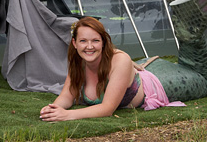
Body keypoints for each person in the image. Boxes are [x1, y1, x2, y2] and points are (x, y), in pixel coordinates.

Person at [40, 17, 186, 122]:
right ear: (75, 43)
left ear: (103, 42)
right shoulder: (78, 61)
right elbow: (67, 95)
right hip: (127, 71)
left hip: (157, 86)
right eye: (83, 41)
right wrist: (54, 108)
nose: (89, 46)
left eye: (95, 41)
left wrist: (66, 115)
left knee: (201, 79)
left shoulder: (120, 60)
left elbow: (107, 109)